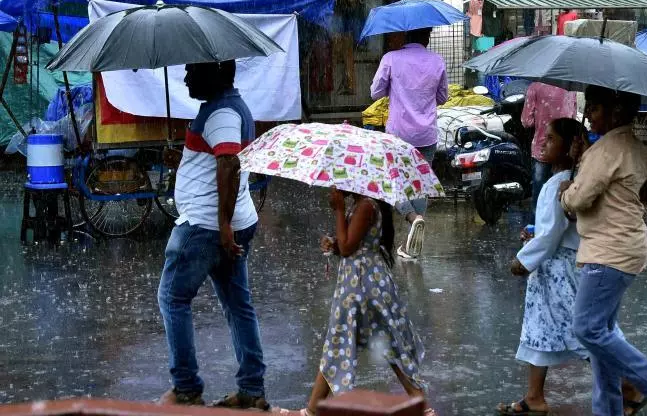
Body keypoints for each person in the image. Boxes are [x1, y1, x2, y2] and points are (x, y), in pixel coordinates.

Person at [496, 119, 646, 416]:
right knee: (540, 329)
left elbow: (551, 236)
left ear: (569, 147)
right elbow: (551, 228)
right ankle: (534, 396)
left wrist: (523, 260)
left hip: (561, 271)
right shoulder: (561, 180)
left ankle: (631, 382)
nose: (543, 143)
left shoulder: (562, 182)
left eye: (551, 139)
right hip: (550, 272)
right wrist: (533, 232)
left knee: (584, 334)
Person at [561, 86, 647, 416]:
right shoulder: (627, 146)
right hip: (624, 247)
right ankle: (609, 410)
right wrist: (584, 157)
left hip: (609, 253)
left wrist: (567, 188)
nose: (588, 114)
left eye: (596, 108)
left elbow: (577, 200)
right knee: (602, 334)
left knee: (586, 329)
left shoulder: (606, 151)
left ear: (615, 112)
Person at [157, 61, 270, 410]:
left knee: (172, 299)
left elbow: (228, 163)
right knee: (238, 305)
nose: (187, 76)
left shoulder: (222, 112)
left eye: (194, 69)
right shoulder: (225, 108)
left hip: (204, 228)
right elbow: (215, 159)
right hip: (224, 224)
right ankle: (252, 390)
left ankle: (187, 388)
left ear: (218, 71)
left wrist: (223, 226)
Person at [298, 189, 432, 416]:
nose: (334, 187)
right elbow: (350, 243)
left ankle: (312, 410)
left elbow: (349, 247)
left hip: (361, 286)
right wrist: (333, 243)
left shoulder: (366, 206)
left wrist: (339, 211)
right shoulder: (362, 204)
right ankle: (312, 409)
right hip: (365, 282)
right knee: (357, 344)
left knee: (342, 343)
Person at [370, 27, 448, 259]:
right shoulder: (437, 61)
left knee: (394, 183)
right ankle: (414, 235)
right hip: (427, 135)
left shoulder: (391, 59)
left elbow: (375, 93)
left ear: (406, 36)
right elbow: (443, 97)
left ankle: (413, 218)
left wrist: (395, 87)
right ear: (427, 37)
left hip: (398, 136)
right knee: (420, 185)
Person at [521, 82, 577, 216]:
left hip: (542, 149)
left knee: (540, 197)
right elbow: (573, 118)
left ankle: (536, 229)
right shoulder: (570, 89)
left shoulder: (535, 87)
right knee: (561, 195)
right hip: (565, 151)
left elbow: (526, 121)